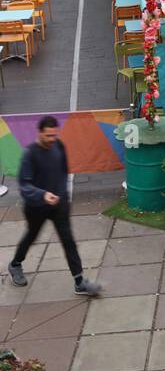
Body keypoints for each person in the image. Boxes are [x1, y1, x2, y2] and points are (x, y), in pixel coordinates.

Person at [6, 117, 102, 295]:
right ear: (40, 132)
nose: (52, 139)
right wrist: (42, 195)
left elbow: (64, 171)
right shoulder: (30, 154)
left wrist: (62, 195)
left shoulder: (59, 146)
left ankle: (79, 281)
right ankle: (15, 264)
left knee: (68, 240)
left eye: (54, 135)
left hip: (58, 205)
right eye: (48, 136)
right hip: (36, 207)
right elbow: (24, 185)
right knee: (31, 236)